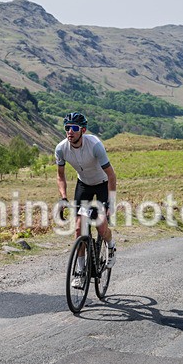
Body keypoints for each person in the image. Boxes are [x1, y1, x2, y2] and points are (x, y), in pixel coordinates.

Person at [56, 112, 117, 287]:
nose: (70, 132)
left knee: (100, 222)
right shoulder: (61, 148)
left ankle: (111, 245)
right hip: (84, 185)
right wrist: (63, 197)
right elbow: (60, 176)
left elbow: (111, 175)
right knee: (78, 228)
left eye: (74, 128)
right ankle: (81, 271)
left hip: (102, 184)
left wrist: (109, 202)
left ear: (83, 130)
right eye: (67, 128)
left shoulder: (95, 145)